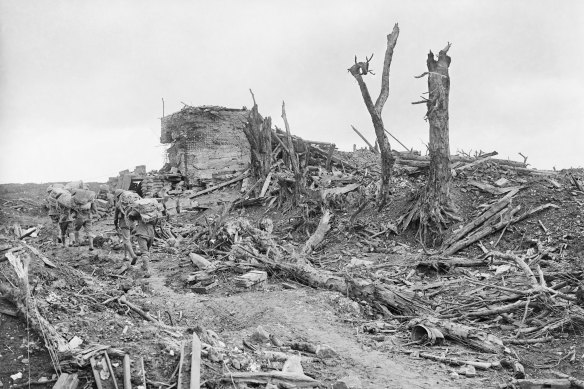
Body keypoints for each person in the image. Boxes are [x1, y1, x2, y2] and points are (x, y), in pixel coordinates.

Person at [127, 209, 154, 277]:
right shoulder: (152, 213)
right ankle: (145, 265)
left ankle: (147, 270)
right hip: (151, 233)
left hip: (142, 234)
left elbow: (130, 216)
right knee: (147, 250)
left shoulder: (137, 212)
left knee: (144, 252)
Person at [113, 190, 138, 262]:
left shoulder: (118, 204)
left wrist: (116, 225)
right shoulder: (132, 202)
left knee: (126, 240)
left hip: (124, 223)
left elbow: (115, 217)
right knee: (129, 239)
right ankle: (126, 256)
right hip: (133, 223)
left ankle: (133, 255)